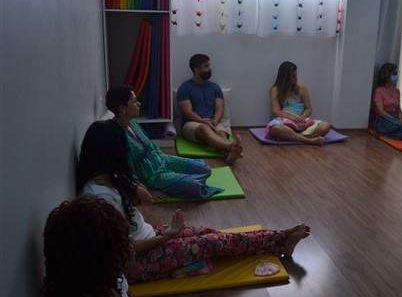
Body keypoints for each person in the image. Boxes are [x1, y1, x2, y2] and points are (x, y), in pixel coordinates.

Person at [43, 195, 310, 297]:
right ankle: (279, 240)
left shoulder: (113, 282)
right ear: (99, 256)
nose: (131, 248)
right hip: (157, 249)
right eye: (123, 243)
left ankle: (278, 238)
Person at [76, 120, 311, 283]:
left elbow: (145, 202)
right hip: (139, 262)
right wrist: (168, 235)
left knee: (208, 232)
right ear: (112, 152)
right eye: (123, 147)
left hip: (149, 235)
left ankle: (278, 241)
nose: (127, 153)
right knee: (213, 242)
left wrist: (128, 183)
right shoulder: (100, 197)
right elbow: (124, 251)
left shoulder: (111, 179)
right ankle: (281, 239)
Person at [106, 86, 222, 200]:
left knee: (205, 168)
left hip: (161, 160)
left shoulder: (133, 123)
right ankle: (178, 181)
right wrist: (148, 191)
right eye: (134, 102)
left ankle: (178, 179)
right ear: (122, 108)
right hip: (151, 176)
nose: (139, 104)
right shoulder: (117, 135)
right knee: (195, 186)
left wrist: (164, 159)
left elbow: (150, 145)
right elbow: (126, 171)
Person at [177, 54, 242, 164]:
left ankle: (229, 153)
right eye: (206, 66)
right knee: (204, 128)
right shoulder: (184, 88)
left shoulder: (215, 87)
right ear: (196, 69)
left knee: (221, 133)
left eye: (209, 66)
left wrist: (215, 121)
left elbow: (219, 107)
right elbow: (187, 112)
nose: (210, 69)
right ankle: (230, 147)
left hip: (213, 121)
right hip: (192, 123)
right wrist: (203, 122)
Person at [266, 61, 331, 145]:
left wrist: (302, 118)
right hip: (285, 121)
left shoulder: (302, 88)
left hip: (302, 121)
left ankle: (294, 137)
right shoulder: (276, 89)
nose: (296, 78)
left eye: (296, 75)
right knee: (275, 129)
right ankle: (309, 140)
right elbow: (275, 111)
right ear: (285, 77)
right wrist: (294, 119)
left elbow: (309, 108)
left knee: (325, 126)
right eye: (292, 76)